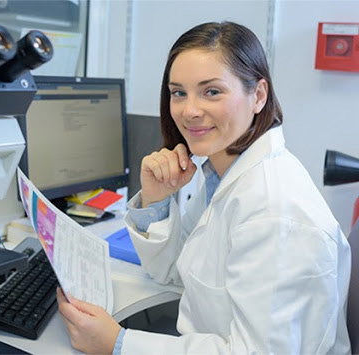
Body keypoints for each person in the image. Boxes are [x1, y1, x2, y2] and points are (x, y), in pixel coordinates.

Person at [56, 21, 351, 354]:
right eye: (178, 92)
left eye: (212, 91)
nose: (190, 111)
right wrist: (156, 200)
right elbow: (174, 271)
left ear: (258, 95)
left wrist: (118, 343)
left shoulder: (274, 212)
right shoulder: (223, 174)